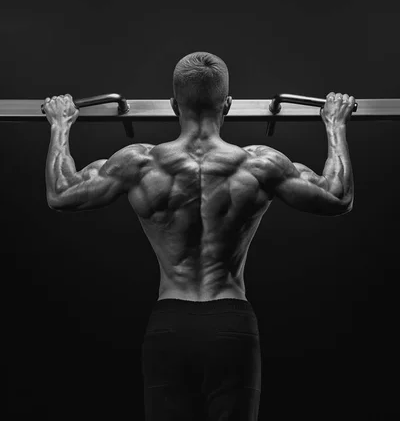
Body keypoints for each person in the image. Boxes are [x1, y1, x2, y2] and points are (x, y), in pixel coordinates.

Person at [43, 51, 355, 421]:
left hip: (169, 326)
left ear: (175, 104)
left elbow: (62, 192)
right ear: (228, 104)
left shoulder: (139, 164)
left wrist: (60, 126)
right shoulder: (259, 165)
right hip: (232, 327)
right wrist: (334, 125)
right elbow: (337, 195)